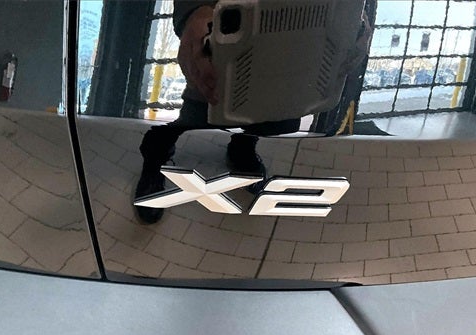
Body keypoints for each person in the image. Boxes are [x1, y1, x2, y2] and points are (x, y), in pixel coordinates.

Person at [135, 0, 372, 224]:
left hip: (301, 48)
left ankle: (242, 150)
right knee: (202, 109)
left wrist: (355, 17)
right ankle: (155, 159)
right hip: (226, 34)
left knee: (274, 117)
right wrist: (194, 11)